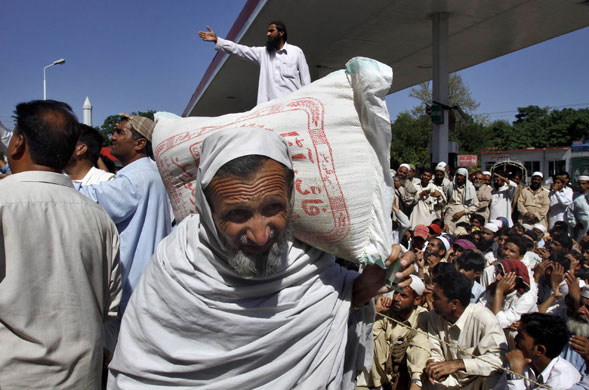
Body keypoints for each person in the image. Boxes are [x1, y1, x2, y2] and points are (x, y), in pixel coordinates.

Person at [107, 127, 414, 389]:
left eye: (273, 208)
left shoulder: (310, 257)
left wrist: (366, 285)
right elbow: (138, 374)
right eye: (237, 214)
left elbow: (336, 299)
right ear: (207, 210)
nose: (259, 234)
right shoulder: (177, 263)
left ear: (291, 196)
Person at [0, 100, 121, 389]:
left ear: (17, 144)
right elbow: (110, 305)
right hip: (82, 377)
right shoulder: (99, 217)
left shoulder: (4, 203)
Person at [77, 113, 172, 350]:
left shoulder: (136, 178)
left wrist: (47, 180)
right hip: (148, 284)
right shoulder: (152, 173)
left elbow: (91, 201)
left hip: (131, 285)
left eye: (120, 132)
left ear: (140, 143)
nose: (113, 137)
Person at [425, 270, 507, 389]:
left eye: (436, 298)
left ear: (454, 304)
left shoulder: (483, 319)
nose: (432, 301)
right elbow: (434, 350)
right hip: (448, 380)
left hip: (475, 381)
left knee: (492, 378)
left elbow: (499, 360)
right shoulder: (435, 315)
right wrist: (435, 366)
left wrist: (460, 364)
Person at [198, 21, 311, 104]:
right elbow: (239, 50)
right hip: (268, 110)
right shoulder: (263, 53)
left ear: (281, 33)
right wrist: (217, 40)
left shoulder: (296, 52)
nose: (268, 34)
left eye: (271, 31)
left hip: (292, 107)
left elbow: (306, 83)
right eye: (267, 31)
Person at [356, 275, 429, 390]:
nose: (396, 298)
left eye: (403, 295)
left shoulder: (422, 316)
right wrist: (377, 311)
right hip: (381, 379)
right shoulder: (388, 312)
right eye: (396, 293)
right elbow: (364, 334)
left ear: (417, 300)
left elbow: (420, 344)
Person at [504, 313, 581, 389]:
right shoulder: (523, 361)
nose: (515, 339)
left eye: (520, 336)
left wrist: (516, 375)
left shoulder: (561, 379)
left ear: (540, 350)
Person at [443, 167, 479, 234]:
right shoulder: (451, 186)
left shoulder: (470, 188)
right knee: (448, 233)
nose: (459, 177)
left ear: (465, 177)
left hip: (463, 215)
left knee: (460, 233)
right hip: (450, 213)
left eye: (461, 176)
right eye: (457, 175)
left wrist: (462, 212)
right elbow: (446, 201)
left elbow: (475, 205)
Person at [566, 175, 589, 241]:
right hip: (582, 226)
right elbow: (570, 212)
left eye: (583, 184)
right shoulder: (575, 197)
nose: (581, 185)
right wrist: (575, 224)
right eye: (579, 184)